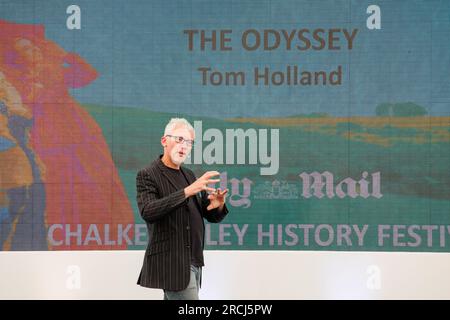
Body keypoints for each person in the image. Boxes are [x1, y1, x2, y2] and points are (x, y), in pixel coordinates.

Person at [136, 118, 229, 300]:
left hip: (193, 260)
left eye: (189, 143)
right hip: (173, 263)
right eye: (179, 139)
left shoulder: (189, 175)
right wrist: (187, 191)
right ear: (164, 141)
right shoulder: (148, 174)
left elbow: (206, 215)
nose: (184, 146)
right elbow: (148, 211)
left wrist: (217, 206)